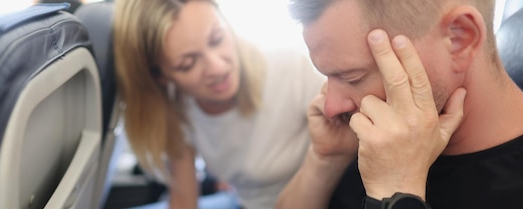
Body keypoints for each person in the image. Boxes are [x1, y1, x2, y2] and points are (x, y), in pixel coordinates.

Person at [276, 0, 523, 209]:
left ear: (459, 39)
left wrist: (395, 192)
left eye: (353, 77)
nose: (331, 106)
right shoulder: (366, 129)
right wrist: (325, 160)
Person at [113, 0, 325, 208]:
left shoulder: (293, 71)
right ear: (160, 76)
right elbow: (184, 199)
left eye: (217, 39)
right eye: (188, 64)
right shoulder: (178, 107)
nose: (217, 67)